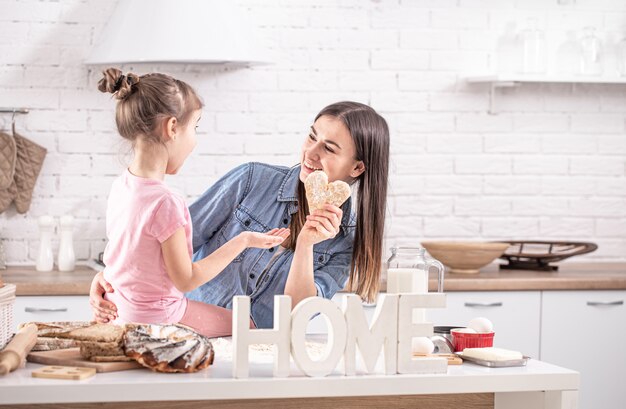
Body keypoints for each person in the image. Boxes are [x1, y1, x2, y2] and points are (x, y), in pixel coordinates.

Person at [90, 100, 390, 332]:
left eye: (329, 148)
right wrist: (109, 277)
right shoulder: (251, 181)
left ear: (357, 168)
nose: (310, 153)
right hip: (183, 328)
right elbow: (164, 246)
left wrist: (306, 245)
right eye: (311, 137)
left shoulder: (347, 240)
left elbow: (299, 313)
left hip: (259, 357)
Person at [95, 68, 289, 337]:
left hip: (120, 312)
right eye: (195, 127)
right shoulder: (166, 202)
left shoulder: (122, 185)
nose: (194, 140)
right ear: (172, 127)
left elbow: (126, 260)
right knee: (250, 327)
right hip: (158, 318)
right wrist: (243, 240)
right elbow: (186, 279)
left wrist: (99, 280)